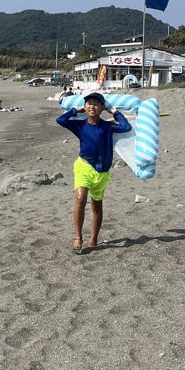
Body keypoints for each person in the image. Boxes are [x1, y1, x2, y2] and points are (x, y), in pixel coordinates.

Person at [56, 92, 131, 254]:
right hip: (83, 167)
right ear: (85, 106)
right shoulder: (80, 125)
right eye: (89, 103)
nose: (92, 106)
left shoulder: (108, 127)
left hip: (101, 172)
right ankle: (78, 237)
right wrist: (75, 111)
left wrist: (115, 113)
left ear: (102, 108)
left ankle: (94, 238)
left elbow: (126, 127)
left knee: (96, 206)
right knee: (80, 198)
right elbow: (60, 120)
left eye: (96, 104)